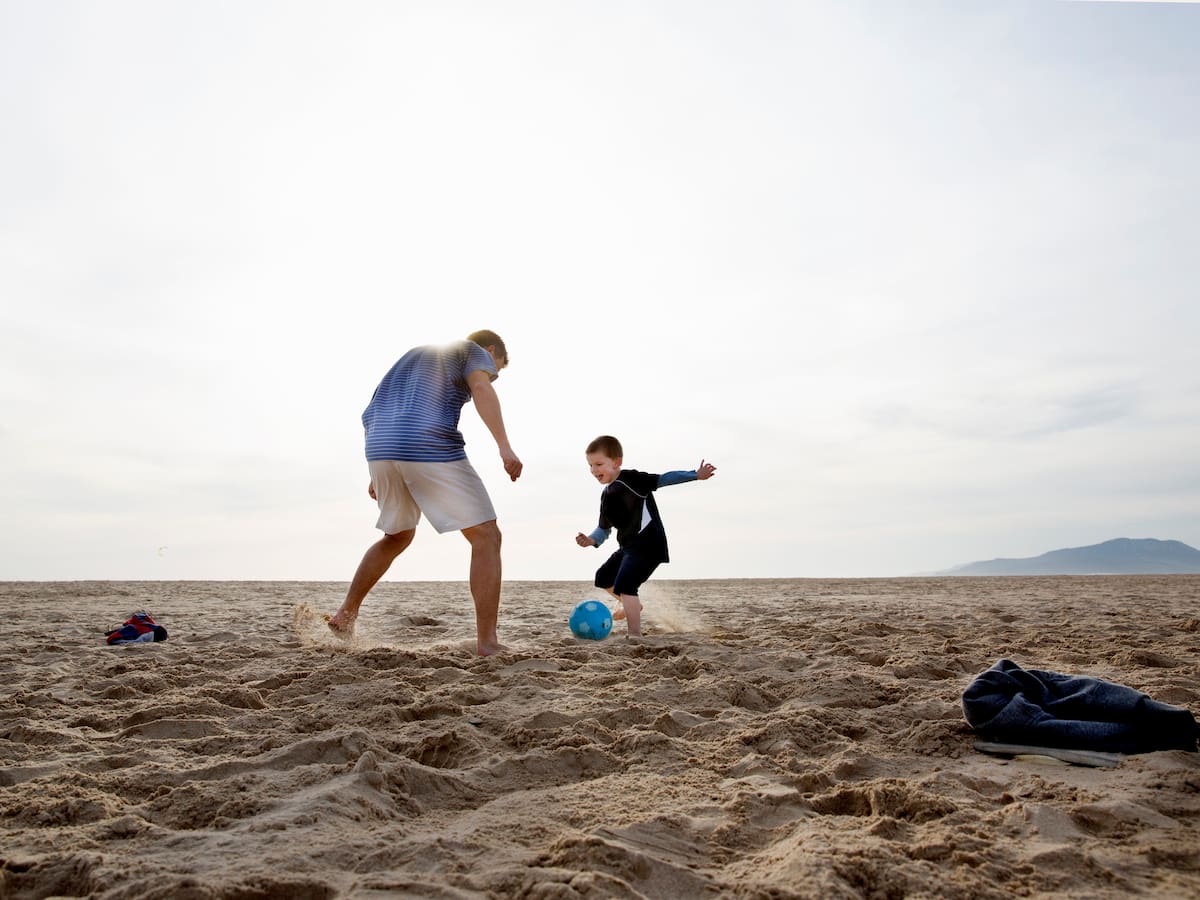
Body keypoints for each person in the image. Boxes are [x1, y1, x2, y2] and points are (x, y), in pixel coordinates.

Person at [326, 330, 522, 656]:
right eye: (496, 368)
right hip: (426, 442)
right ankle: (487, 642)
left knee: (397, 535)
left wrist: (378, 469)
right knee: (487, 536)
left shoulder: (413, 358)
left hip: (380, 446)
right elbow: (480, 386)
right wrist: (505, 447)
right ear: (490, 350)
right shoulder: (473, 350)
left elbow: (370, 412)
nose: (491, 374)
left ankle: (346, 614)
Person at [574, 435, 716, 636]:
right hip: (629, 547)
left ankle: (634, 634)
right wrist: (590, 540)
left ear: (616, 462)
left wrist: (695, 474)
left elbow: (664, 479)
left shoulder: (632, 479)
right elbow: (604, 528)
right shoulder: (606, 495)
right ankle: (632, 604)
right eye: (590, 465)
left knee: (626, 585)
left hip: (649, 545)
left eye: (599, 464)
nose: (594, 470)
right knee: (603, 577)